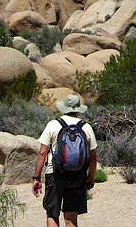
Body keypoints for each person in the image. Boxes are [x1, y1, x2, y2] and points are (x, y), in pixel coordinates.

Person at [32, 94, 97, 227]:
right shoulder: (86, 127)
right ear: (78, 109)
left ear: (64, 108)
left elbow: (42, 153)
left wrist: (37, 177)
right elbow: (93, 157)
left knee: (52, 213)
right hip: (78, 175)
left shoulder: (53, 124)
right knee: (71, 216)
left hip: (55, 173)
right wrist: (90, 177)